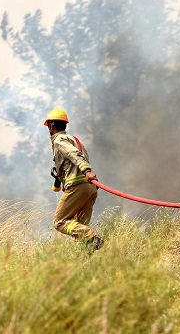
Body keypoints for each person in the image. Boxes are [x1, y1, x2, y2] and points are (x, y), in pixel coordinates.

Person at [44, 108, 103, 253]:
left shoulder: (59, 140)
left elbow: (73, 154)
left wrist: (87, 171)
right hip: (90, 188)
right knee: (79, 229)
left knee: (60, 222)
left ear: (51, 126)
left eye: (48, 127)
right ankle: (84, 260)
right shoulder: (74, 140)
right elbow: (72, 158)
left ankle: (93, 236)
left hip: (77, 186)